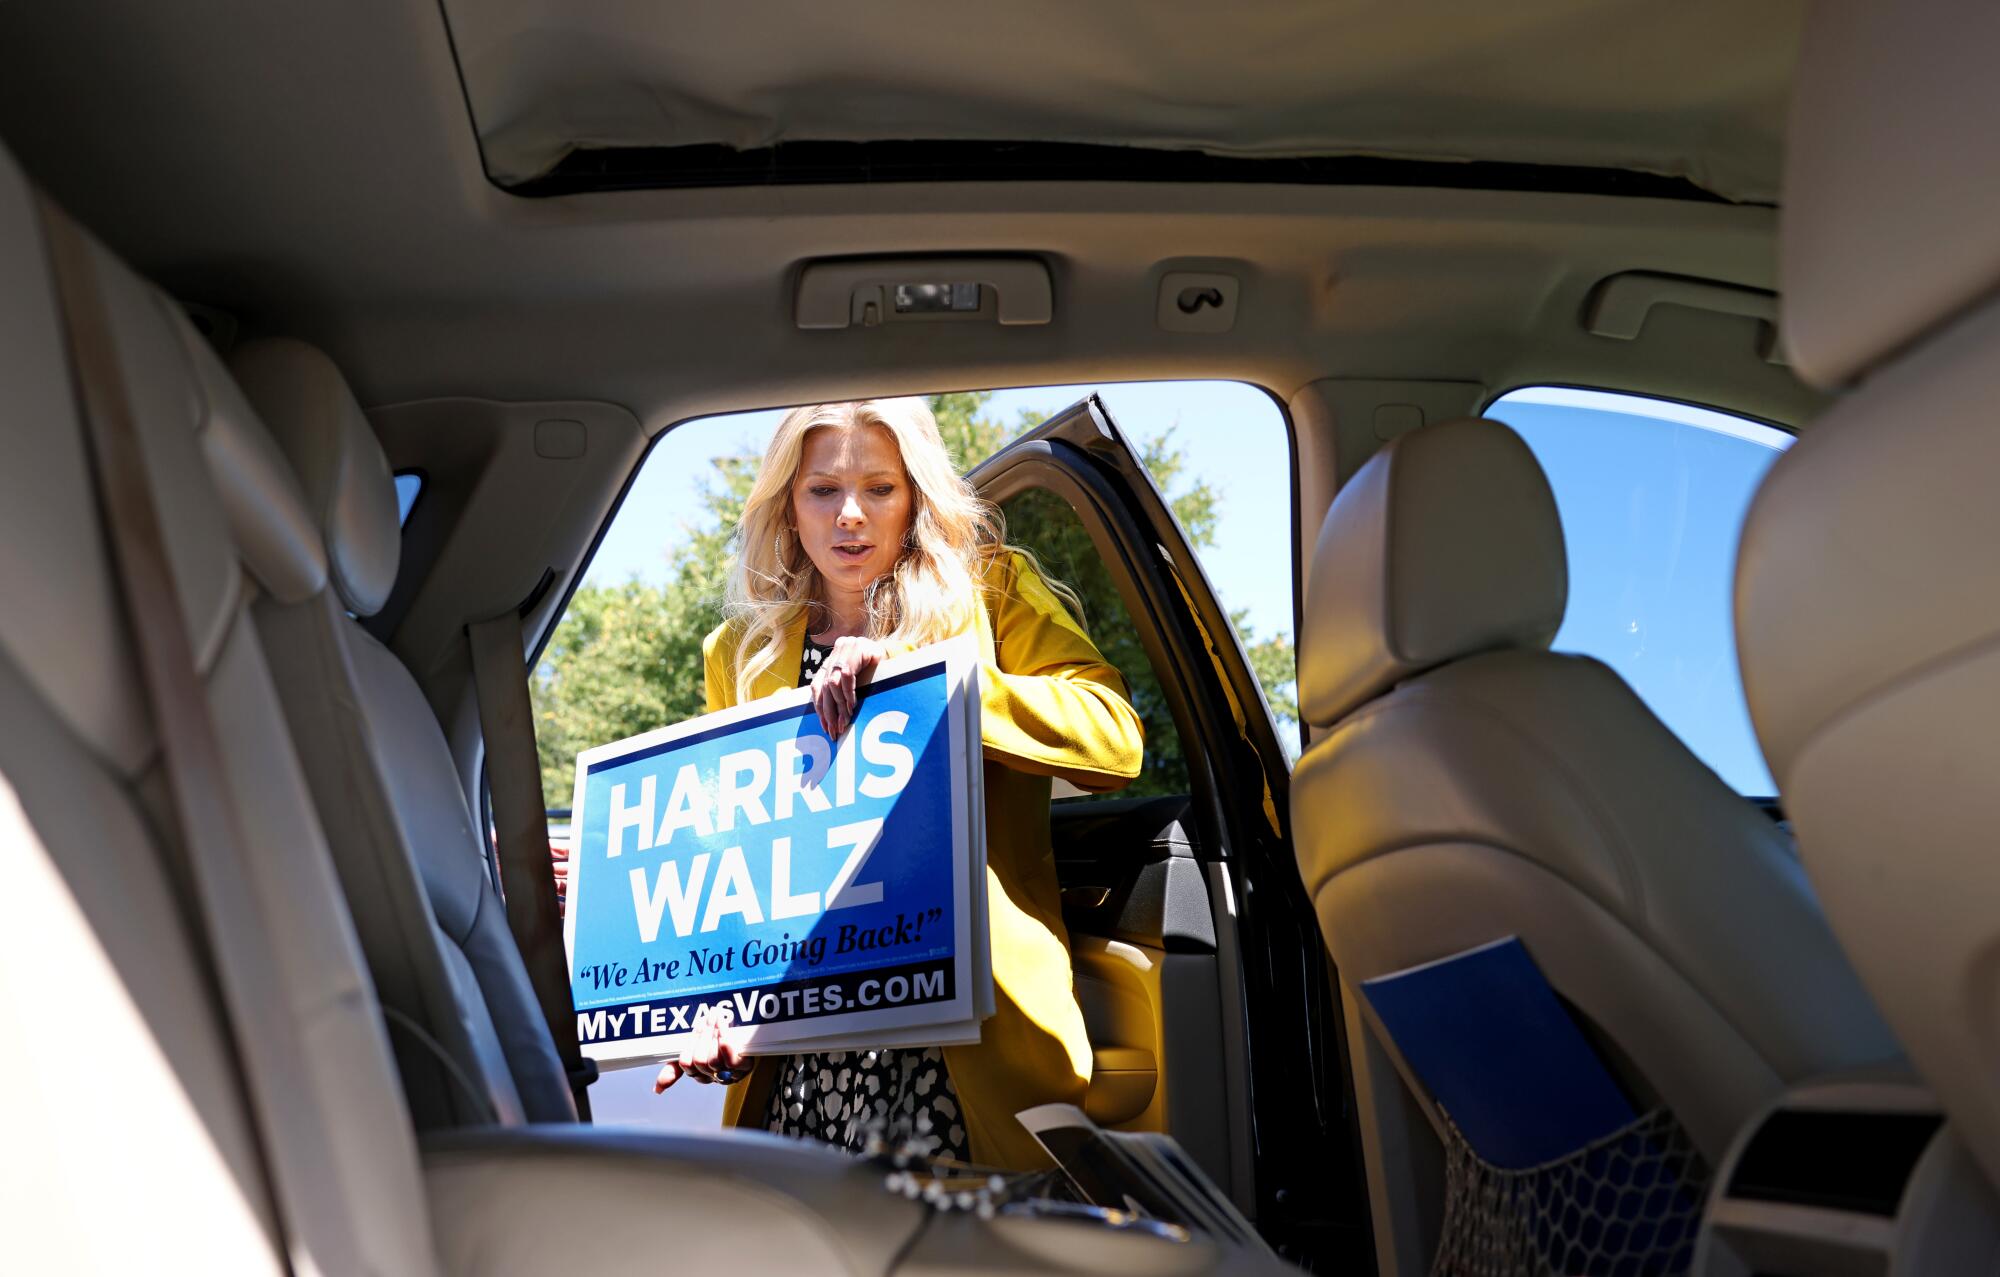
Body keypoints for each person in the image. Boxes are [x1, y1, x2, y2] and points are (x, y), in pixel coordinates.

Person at [654, 398, 1144, 1172]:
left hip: (959, 1041)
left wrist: (934, 683)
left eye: (880, 488)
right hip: (804, 1055)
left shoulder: (992, 590)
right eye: (823, 490)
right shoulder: (739, 652)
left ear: (915, 496)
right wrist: (720, 1009)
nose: (850, 515)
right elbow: (734, 862)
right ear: (788, 501)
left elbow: (1113, 737)